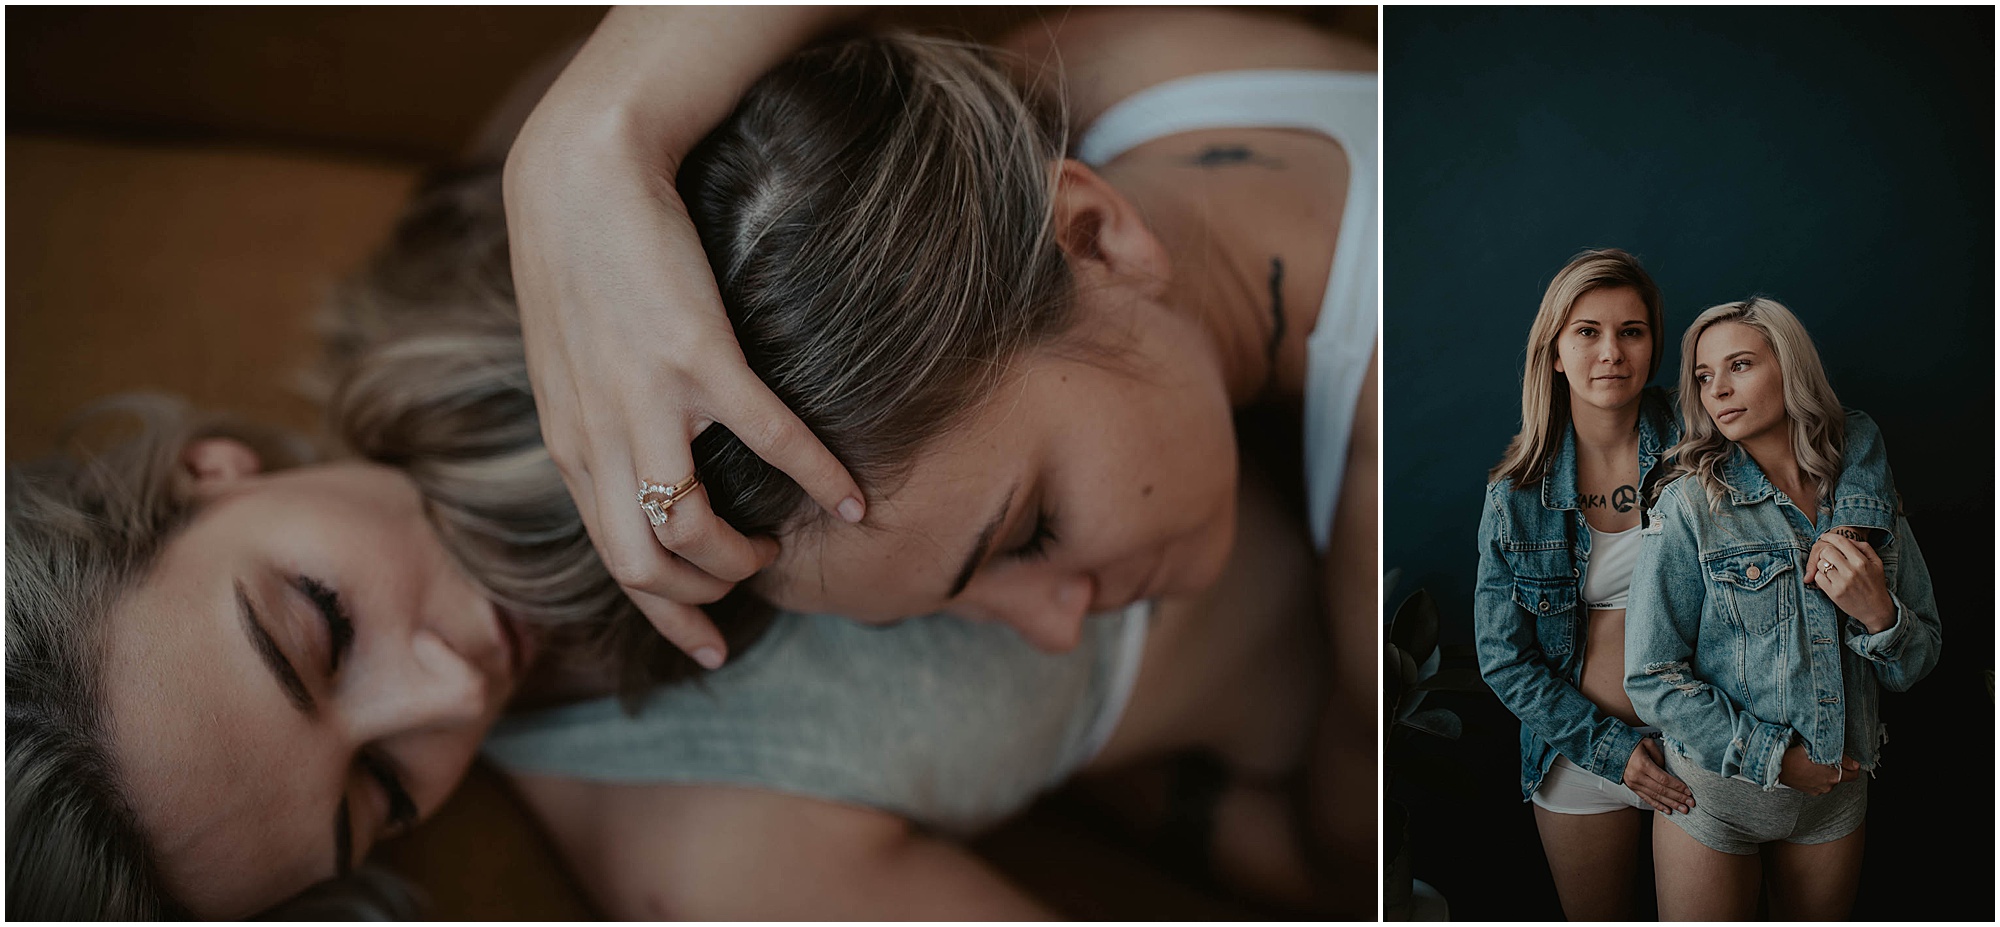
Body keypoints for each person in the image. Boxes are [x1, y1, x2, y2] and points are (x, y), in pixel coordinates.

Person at [7, 11, 1375, 919]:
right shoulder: (698, 848)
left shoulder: (538, 215)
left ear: (214, 473)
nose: (451, 687)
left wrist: (595, 138)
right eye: (377, 798)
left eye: (321, 624)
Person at [1471, 251, 1894, 919]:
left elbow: (1843, 429)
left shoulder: (1701, 435)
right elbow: (1502, 657)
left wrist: (1854, 532)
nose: (1611, 351)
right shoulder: (1515, 496)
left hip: (1709, 742)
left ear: (1653, 345)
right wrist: (1608, 748)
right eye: (1587, 331)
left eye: (1632, 331)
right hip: (1584, 753)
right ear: (1553, 351)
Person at [1624, 297, 1939, 921]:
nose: (1719, 389)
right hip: (1716, 800)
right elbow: (1650, 676)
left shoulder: (1865, 504)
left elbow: (1920, 659)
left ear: (1790, 370)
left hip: (1836, 799)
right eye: (1705, 376)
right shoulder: (1690, 504)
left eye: (1739, 365)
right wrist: (1777, 760)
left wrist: (1880, 615)